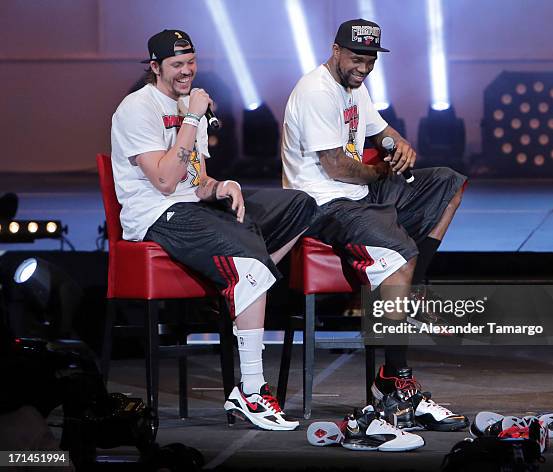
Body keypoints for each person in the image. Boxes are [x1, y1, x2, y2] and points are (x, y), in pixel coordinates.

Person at [111, 29, 317, 431]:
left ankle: (239, 283)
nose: (186, 72)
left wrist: (221, 187)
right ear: (155, 67)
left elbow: (195, 180)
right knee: (252, 268)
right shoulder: (136, 109)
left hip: (194, 209)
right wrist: (191, 117)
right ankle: (251, 391)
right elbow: (167, 183)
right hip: (157, 216)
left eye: (191, 63)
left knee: (303, 205)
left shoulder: (193, 107)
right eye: (176, 65)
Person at [281, 19, 469, 431]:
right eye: (355, 59)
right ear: (335, 50)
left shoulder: (355, 87)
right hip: (323, 205)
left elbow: (381, 132)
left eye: (368, 61)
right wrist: (383, 171)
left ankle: (412, 293)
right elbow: (336, 167)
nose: (363, 68)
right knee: (401, 250)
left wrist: (396, 147)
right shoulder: (316, 91)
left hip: (360, 194)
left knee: (448, 184)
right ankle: (396, 380)